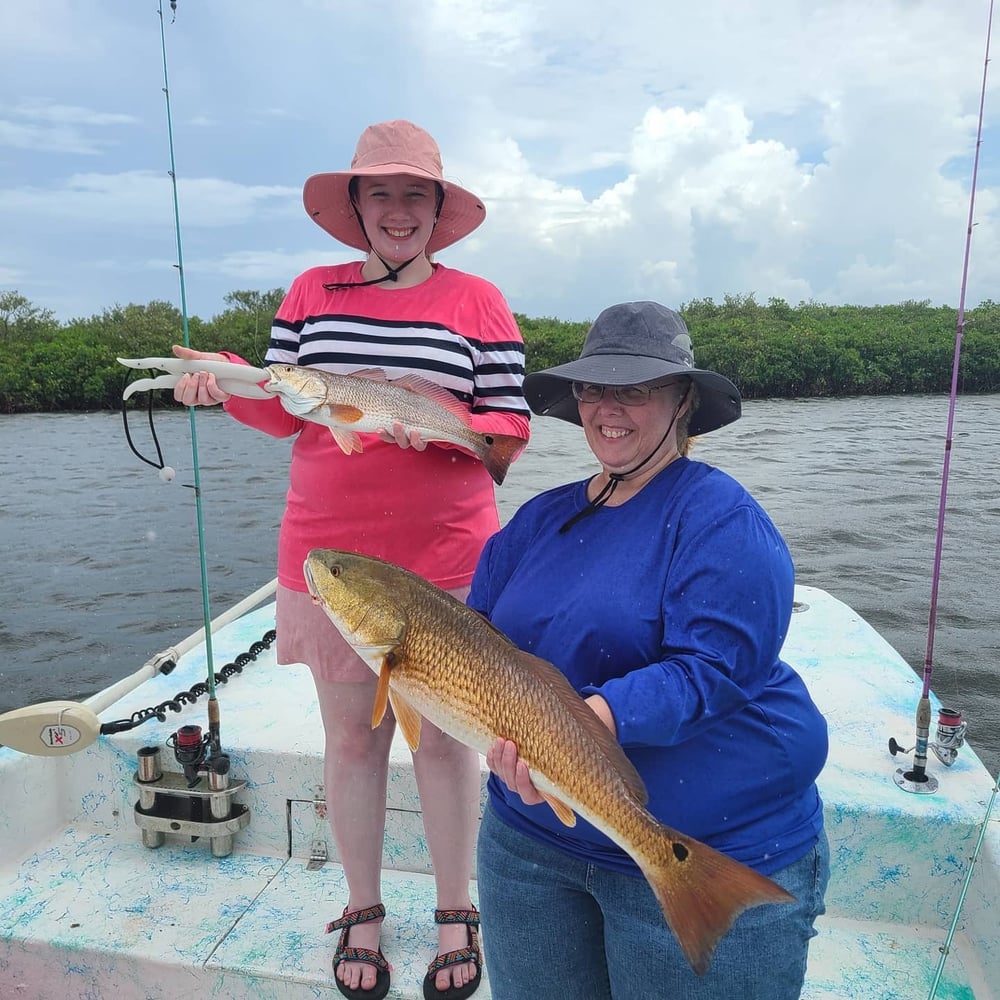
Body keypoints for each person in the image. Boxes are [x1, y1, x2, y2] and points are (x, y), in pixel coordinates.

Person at [171, 120, 531, 1000]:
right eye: (381, 192)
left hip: (449, 555)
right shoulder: (310, 291)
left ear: (438, 210)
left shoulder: (479, 300)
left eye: (415, 194)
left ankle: (457, 912)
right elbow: (287, 408)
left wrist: (444, 431)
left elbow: (508, 432)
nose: (398, 210)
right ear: (357, 207)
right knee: (351, 739)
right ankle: (361, 911)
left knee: (447, 745)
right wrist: (225, 387)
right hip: (328, 554)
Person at [468, 301, 829, 1000]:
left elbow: (716, 668)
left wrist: (588, 721)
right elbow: (478, 643)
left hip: (711, 843)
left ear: (683, 400)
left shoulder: (722, 519)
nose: (609, 408)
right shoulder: (538, 519)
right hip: (531, 843)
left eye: (633, 390)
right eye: (594, 388)